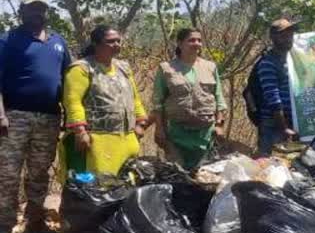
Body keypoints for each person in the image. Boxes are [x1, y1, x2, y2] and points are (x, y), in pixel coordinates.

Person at [0, 0, 71, 233]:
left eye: (41, 9)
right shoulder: (8, 40)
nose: (36, 14)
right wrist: (1, 116)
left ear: (47, 13)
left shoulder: (58, 42)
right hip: (15, 116)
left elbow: (68, 84)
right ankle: (4, 222)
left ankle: (36, 221)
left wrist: (70, 118)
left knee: (40, 173)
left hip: (49, 118)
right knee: (8, 172)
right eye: (31, 9)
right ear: (21, 11)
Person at [62, 25, 148, 176]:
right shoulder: (81, 69)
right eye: (110, 41)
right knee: (94, 187)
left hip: (125, 138)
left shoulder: (124, 68)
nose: (116, 45)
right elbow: (73, 102)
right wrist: (80, 132)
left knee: (125, 185)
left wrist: (141, 123)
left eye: (118, 41)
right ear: (96, 44)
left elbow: (135, 98)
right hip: (95, 140)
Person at [152, 28, 227, 170]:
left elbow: (219, 97)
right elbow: (158, 102)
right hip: (177, 134)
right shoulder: (166, 69)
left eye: (199, 40)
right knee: (177, 175)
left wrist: (219, 125)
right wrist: (159, 129)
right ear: (180, 43)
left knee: (204, 175)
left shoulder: (210, 67)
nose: (196, 43)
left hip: (205, 134)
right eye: (191, 40)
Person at [244, 18, 298, 156]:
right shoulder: (268, 63)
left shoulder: (291, 61)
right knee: (270, 166)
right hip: (274, 124)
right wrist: (284, 128)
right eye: (283, 35)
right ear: (273, 37)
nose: (288, 38)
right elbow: (273, 97)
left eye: (290, 34)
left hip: (292, 121)